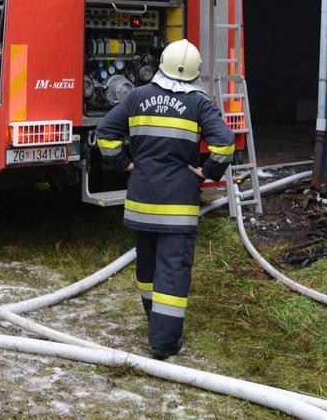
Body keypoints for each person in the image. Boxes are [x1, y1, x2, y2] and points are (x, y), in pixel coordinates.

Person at [94, 39, 235, 360]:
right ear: (196, 73)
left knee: (147, 267)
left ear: (161, 66)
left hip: (141, 203)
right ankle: (164, 343)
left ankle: (154, 322)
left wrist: (125, 164)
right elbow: (224, 144)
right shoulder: (199, 103)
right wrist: (206, 172)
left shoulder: (137, 96)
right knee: (172, 270)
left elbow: (105, 133)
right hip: (177, 208)